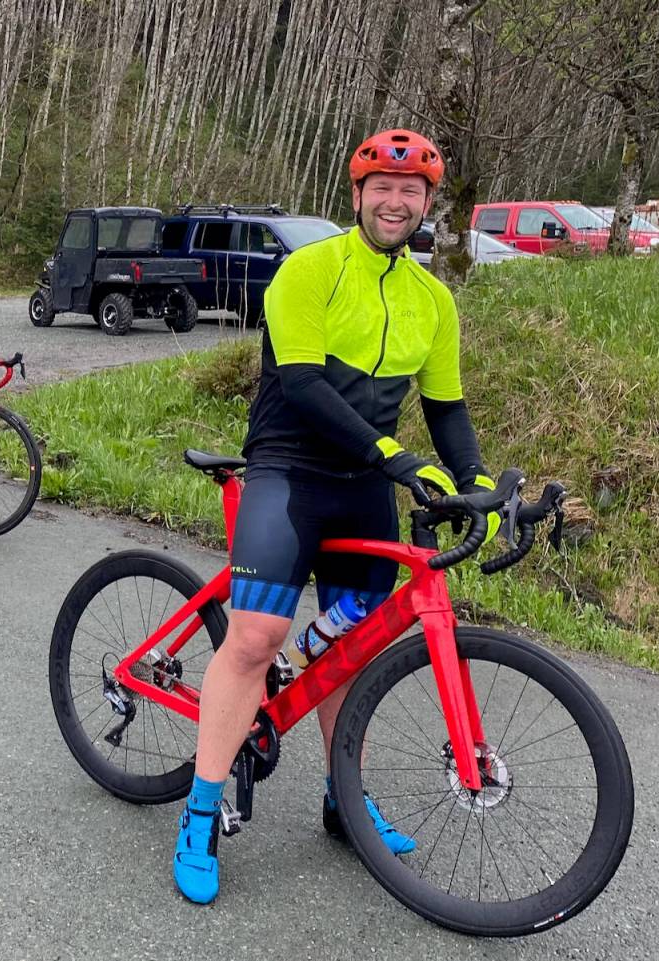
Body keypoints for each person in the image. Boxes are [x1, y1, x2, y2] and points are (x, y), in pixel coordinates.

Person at [172, 130, 499, 904]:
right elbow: (307, 386)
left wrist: (475, 479)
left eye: (411, 190)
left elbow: (446, 409)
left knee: (350, 644)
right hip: (289, 469)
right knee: (255, 637)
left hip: (364, 479)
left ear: (427, 205)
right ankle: (199, 810)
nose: (396, 200)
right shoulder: (308, 270)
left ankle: (342, 799)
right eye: (381, 186)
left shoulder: (433, 299)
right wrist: (395, 456)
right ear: (356, 196)